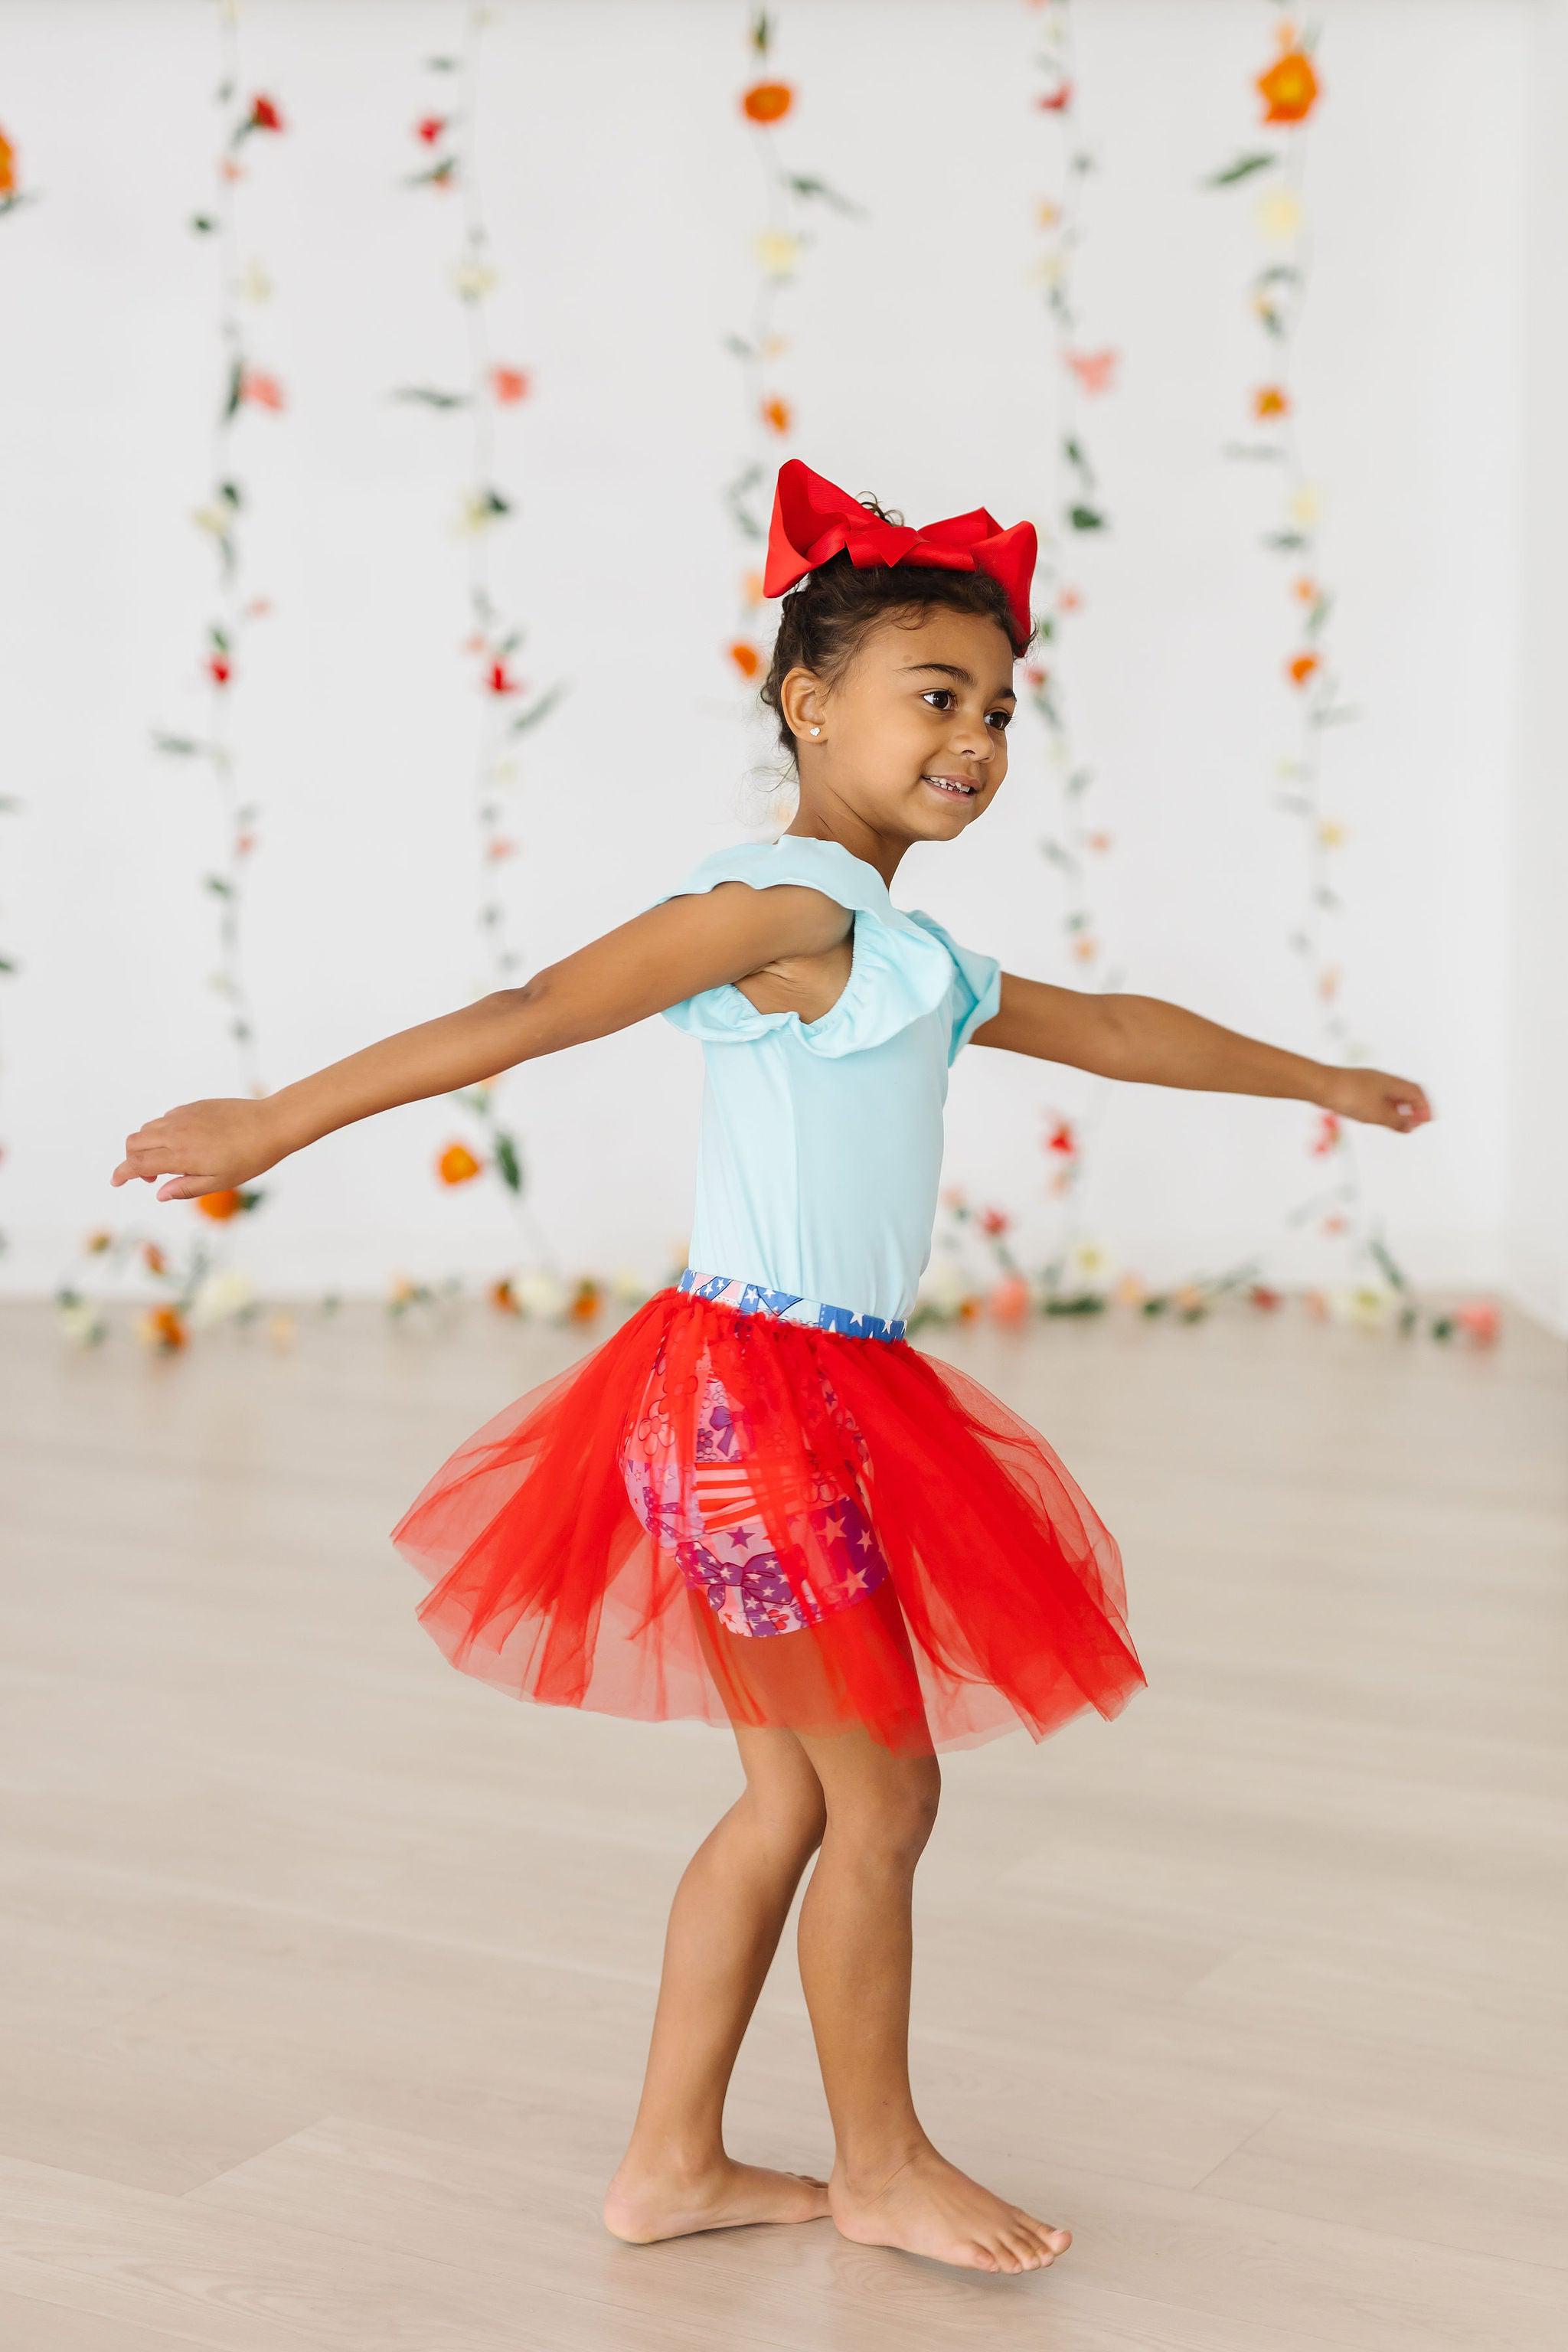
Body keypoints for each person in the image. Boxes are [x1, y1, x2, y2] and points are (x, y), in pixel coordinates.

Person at [112, 458, 1433, 2276]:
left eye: (997, 709)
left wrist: (1318, 1079)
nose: (972, 738)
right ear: (810, 705)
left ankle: (671, 2164)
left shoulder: (905, 947)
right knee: (885, 1791)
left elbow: (1119, 1029)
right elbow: (536, 1009)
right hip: (745, 1407)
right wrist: (274, 1122)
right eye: (933, 696)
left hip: (805, 1397)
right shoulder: (783, 903)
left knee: (801, 1793)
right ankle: (878, 2164)